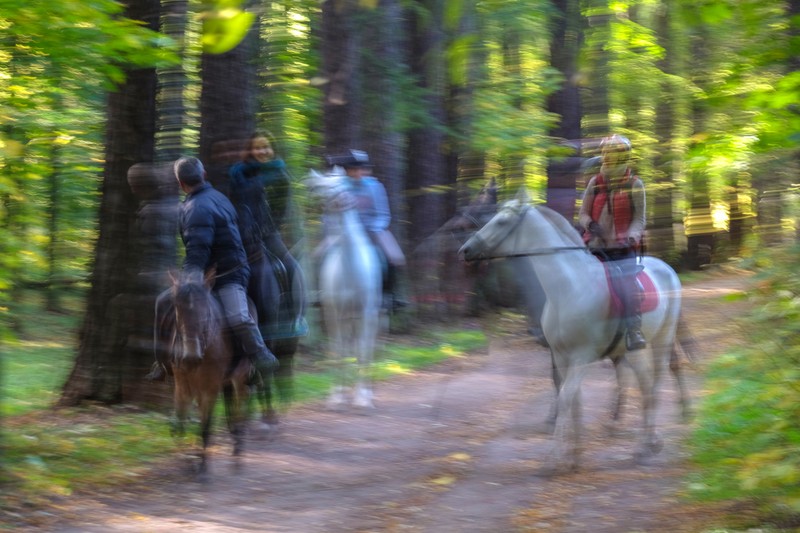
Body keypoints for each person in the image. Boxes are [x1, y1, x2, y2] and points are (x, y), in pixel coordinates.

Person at [146, 156, 278, 381]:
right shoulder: (216, 197)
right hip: (217, 269)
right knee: (164, 301)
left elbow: (199, 248)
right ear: (204, 175)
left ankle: (261, 354)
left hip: (228, 274)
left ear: (180, 183)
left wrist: (191, 280)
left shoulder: (197, 207)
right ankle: (162, 363)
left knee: (237, 314)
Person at [228, 131, 306, 336]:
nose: (262, 151)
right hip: (241, 233)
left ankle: (297, 318)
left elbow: (281, 208)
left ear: (272, 149)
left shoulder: (280, 175)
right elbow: (234, 203)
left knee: (292, 267)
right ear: (250, 150)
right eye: (257, 147)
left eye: (266, 146)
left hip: (268, 233)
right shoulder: (238, 173)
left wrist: (268, 229)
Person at [578, 134, 647, 350]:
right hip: (594, 246)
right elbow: (582, 213)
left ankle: (633, 330)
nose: (606, 156)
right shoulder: (594, 183)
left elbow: (640, 218)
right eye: (605, 152)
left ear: (622, 156)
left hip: (622, 248)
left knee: (626, 285)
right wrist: (590, 225)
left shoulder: (635, 184)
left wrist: (631, 237)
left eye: (611, 153)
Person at [324, 149, 407, 309]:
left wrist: (374, 229)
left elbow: (383, 214)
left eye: (361, 169)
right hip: (343, 232)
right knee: (321, 255)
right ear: (347, 170)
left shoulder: (374, 187)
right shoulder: (339, 187)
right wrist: (333, 229)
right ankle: (322, 292)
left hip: (372, 231)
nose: (358, 172)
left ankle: (390, 295)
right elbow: (328, 214)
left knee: (394, 258)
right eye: (354, 169)